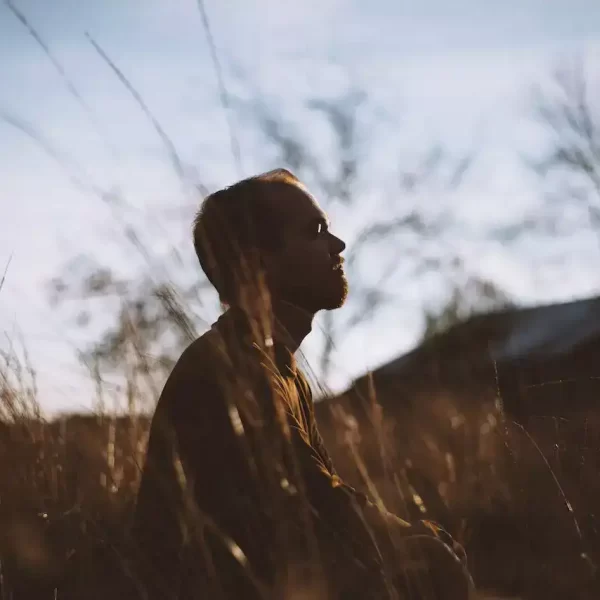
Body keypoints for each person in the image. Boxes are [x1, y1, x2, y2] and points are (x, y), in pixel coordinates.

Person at [130, 169, 474, 599]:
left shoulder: (277, 364)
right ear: (256, 263)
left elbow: (317, 502)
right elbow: (314, 502)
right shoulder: (234, 368)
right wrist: (407, 541)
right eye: (317, 231)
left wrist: (407, 536)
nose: (338, 245)